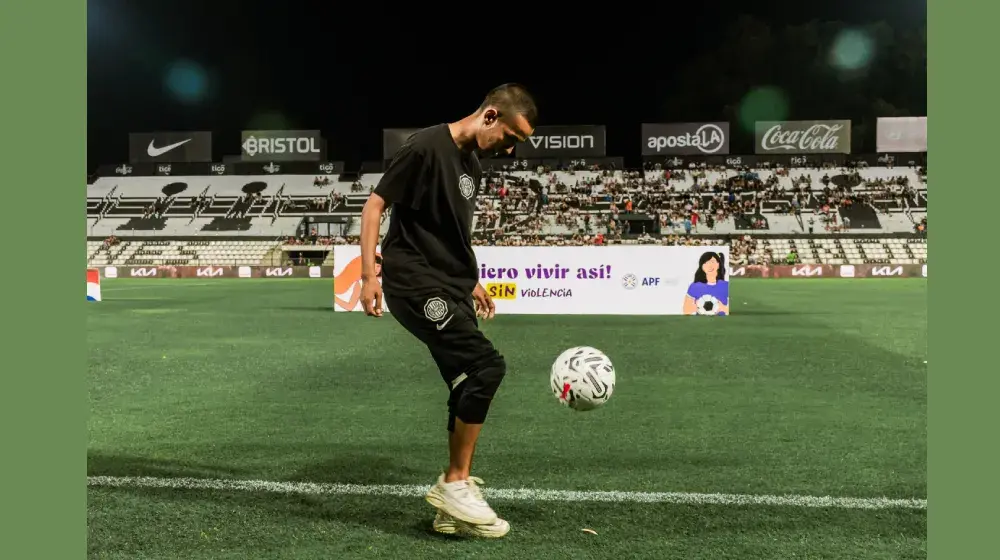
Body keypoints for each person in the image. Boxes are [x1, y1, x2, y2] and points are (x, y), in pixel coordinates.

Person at [357, 84, 537, 538]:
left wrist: (471, 281)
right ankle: (456, 483)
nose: (511, 150)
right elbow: (375, 204)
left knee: (464, 380)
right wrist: (368, 275)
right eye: (511, 138)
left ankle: (452, 500)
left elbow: (448, 232)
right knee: (485, 366)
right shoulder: (424, 146)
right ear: (491, 116)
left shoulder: (472, 164)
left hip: (451, 285)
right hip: (413, 281)